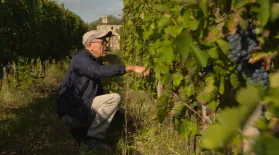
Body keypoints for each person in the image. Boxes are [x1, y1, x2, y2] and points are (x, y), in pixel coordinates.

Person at [56, 30, 149, 150]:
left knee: (121, 116)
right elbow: (99, 71)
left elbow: (97, 93)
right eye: (103, 42)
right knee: (113, 98)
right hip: (72, 114)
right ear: (90, 45)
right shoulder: (81, 59)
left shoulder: (92, 60)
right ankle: (93, 140)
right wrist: (132, 68)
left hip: (80, 109)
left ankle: (83, 136)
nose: (106, 45)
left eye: (106, 42)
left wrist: (116, 112)